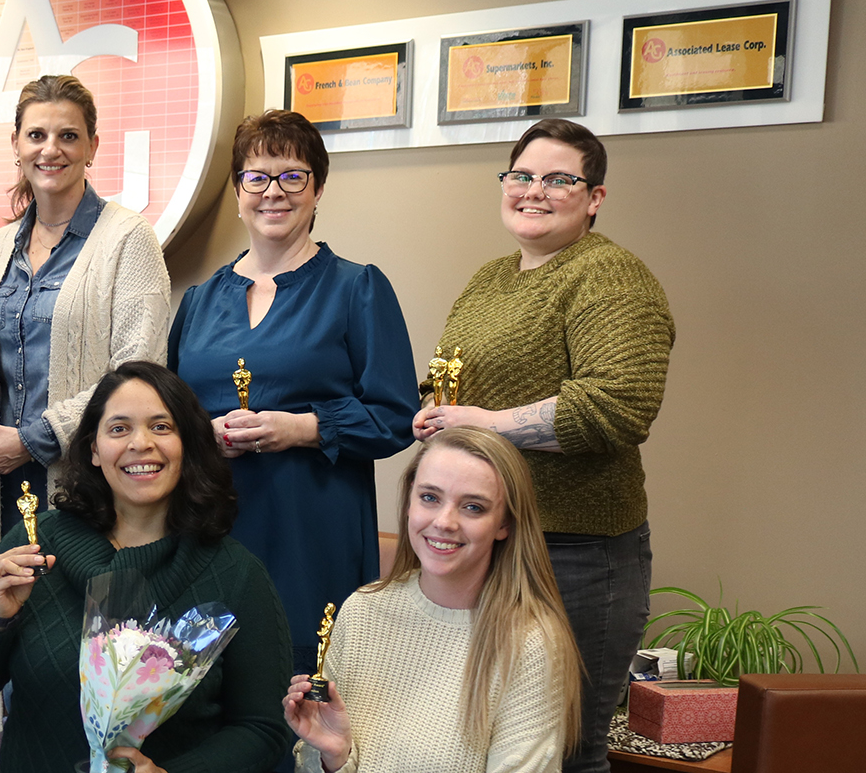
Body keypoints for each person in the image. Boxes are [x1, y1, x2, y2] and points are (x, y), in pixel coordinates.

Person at [411, 119, 673, 773]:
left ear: (595, 197)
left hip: (575, 554)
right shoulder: (490, 278)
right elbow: (453, 379)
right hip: (488, 546)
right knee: (483, 735)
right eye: (522, 176)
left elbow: (618, 405)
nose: (535, 191)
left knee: (566, 748)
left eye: (559, 180)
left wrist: (483, 422)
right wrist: (436, 412)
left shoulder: (609, 274)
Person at [0, 361, 293, 773]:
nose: (140, 444)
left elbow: (263, 730)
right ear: (93, 449)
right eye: (119, 428)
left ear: (190, 445)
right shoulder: (35, 543)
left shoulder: (236, 573)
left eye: (161, 427)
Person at [167, 109, 419, 674]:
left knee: (298, 700)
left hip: (312, 524)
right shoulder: (199, 300)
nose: (273, 192)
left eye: (292, 176)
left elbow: (396, 416)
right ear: (237, 191)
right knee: (205, 697)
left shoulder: (358, 288)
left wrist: (302, 428)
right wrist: (199, 435)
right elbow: (167, 418)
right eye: (256, 177)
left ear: (318, 188)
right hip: (209, 524)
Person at [0, 76, 173, 681]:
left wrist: (36, 436)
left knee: (84, 652)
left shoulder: (129, 238)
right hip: (4, 478)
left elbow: (138, 366)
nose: (52, 149)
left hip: (89, 477)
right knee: (16, 638)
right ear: (18, 146)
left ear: (93, 145)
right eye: (37, 134)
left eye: (68, 135)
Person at [283, 427, 582, 772]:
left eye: (473, 507)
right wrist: (334, 757)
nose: (444, 522)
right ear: (410, 500)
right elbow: (310, 764)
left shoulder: (530, 643)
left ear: (505, 524)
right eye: (430, 497)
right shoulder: (362, 611)